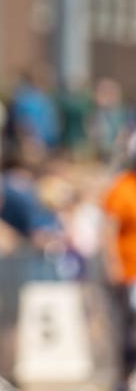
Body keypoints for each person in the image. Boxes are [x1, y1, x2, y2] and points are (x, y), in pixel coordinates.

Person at [102, 132, 136, 390]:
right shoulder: (122, 187)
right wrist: (112, 263)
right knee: (128, 329)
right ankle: (124, 378)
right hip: (129, 271)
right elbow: (109, 229)